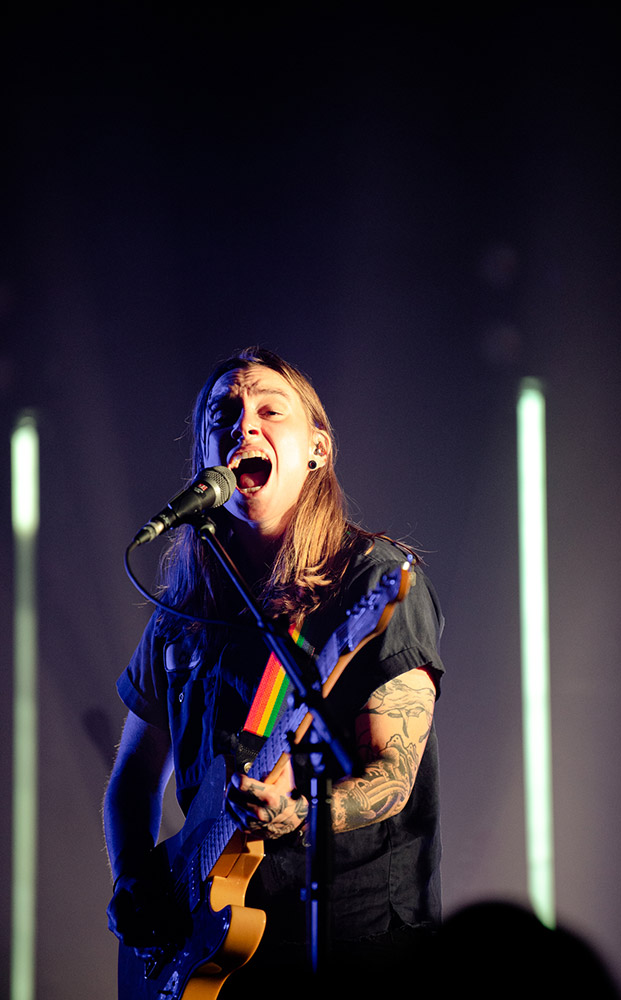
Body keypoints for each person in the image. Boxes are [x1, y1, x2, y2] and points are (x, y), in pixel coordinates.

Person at [104, 347, 444, 990]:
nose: (245, 426)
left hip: (356, 945)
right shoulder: (181, 612)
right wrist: (133, 878)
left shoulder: (368, 579)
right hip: (211, 944)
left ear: (317, 449)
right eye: (225, 413)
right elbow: (131, 782)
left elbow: (392, 779)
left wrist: (299, 815)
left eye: (269, 410)